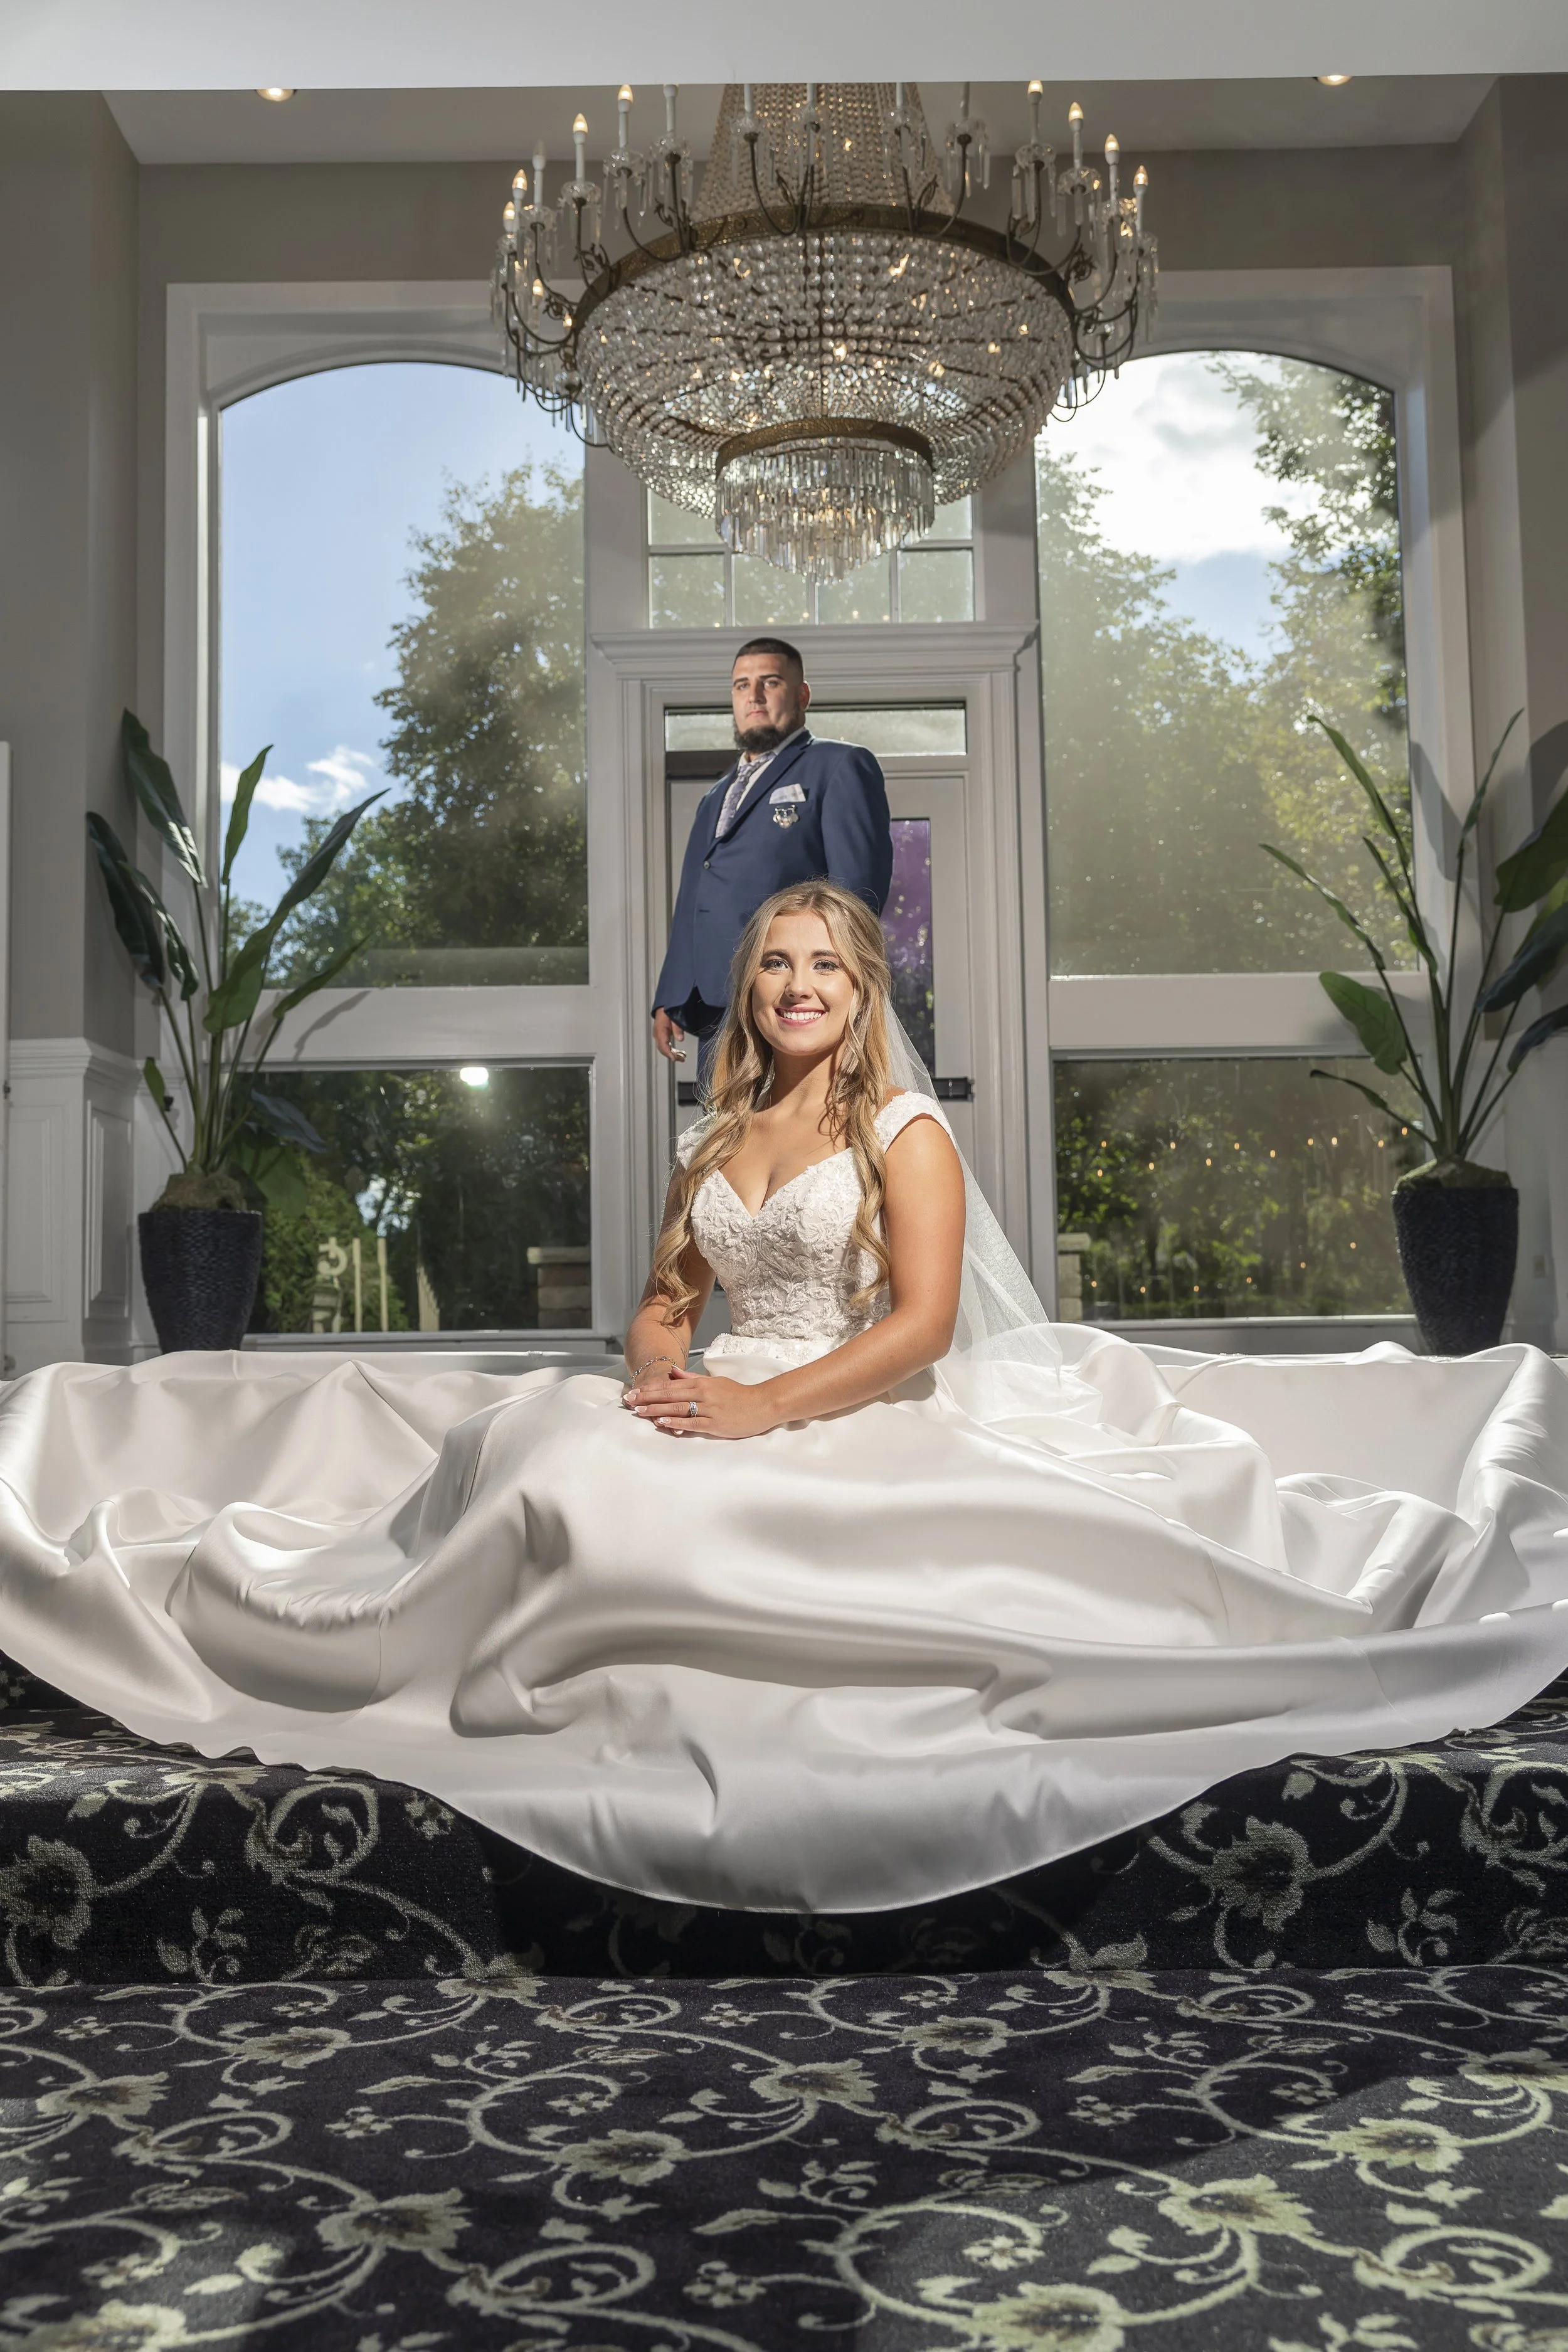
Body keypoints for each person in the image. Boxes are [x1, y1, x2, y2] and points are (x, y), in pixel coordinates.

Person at [0, 881, 1566, 1917]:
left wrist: (763, 1412)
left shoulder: (906, 1131)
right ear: (747, 989)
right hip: (738, 1381)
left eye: (827, 963)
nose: (799, 982)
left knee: (641, 1492)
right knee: (533, 1440)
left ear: (864, 988)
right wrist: (657, 1365)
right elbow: (667, 1304)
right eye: (774, 962)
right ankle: (437, 1651)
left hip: (859, 1388)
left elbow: (930, 1324)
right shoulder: (715, 1137)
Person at [652, 637, 893, 1075]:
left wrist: (835, 985)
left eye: (770, 682)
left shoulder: (840, 766)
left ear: (802, 695)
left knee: (795, 1134)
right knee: (725, 1135)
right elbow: (695, 894)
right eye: (742, 685)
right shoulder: (715, 797)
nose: (754, 696)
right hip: (716, 1004)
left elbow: (857, 897)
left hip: (794, 999)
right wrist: (672, 992)